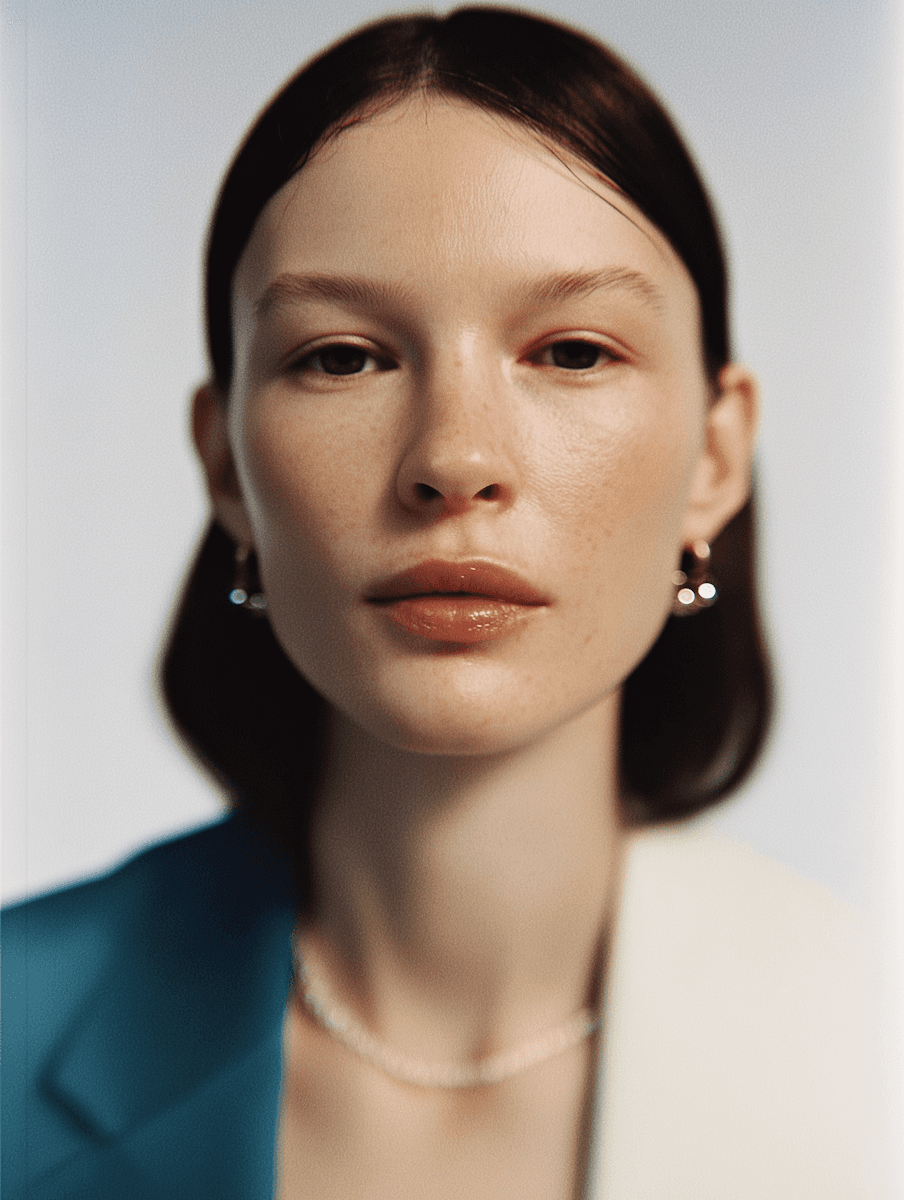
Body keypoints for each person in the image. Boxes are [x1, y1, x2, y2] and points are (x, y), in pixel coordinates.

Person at [1, 9, 879, 1198]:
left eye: (572, 352)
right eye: (343, 357)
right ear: (225, 469)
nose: (454, 459)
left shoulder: (868, 1063)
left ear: (716, 459)